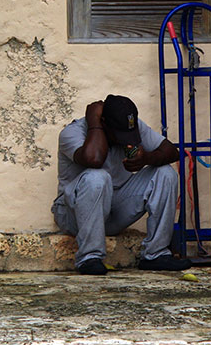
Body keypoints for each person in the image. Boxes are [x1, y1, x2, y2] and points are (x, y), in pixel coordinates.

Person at [52, 94, 192, 275]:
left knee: (165, 173)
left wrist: (146, 159)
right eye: (119, 134)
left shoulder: (129, 125)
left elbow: (171, 152)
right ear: (103, 123)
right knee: (97, 177)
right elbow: (93, 159)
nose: (124, 140)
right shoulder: (73, 133)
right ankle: (89, 257)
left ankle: (156, 254)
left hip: (113, 210)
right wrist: (94, 123)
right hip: (73, 216)